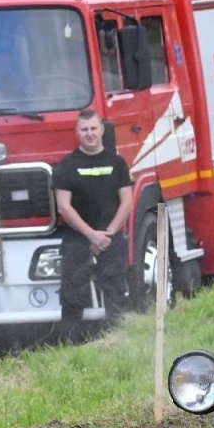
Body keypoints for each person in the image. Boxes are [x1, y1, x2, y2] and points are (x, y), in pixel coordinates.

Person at [54, 109, 134, 337]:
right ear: (76, 132)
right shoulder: (67, 166)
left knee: (115, 290)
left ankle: (117, 340)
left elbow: (126, 202)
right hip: (77, 239)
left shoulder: (117, 163)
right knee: (72, 294)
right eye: (84, 129)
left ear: (102, 130)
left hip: (110, 237)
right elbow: (64, 206)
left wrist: (107, 234)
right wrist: (91, 235)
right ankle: (71, 346)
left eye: (93, 129)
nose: (89, 134)